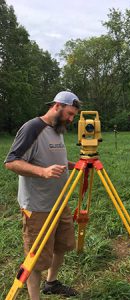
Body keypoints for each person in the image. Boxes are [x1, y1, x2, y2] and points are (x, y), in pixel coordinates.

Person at [4, 91, 81, 300]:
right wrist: (42, 172)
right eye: (69, 114)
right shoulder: (32, 128)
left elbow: (53, 158)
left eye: (73, 116)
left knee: (61, 246)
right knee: (35, 258)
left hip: (59, 202)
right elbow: (11, 162)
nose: (71, 119)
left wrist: (74, 165)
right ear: (57, 106)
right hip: (38, 207)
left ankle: (52, 283)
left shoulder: (58, 129)